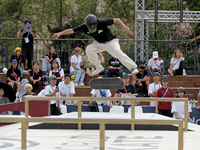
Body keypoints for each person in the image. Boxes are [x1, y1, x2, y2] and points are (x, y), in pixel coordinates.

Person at [52, 14, 138, 76]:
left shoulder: (101, 22)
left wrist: (124, 26)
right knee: (89, 49)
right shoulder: (83, 27)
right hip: (99, 43)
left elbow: (116, 20)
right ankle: (98, 67)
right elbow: (72, 30)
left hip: (111, 41)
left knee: (117, 53)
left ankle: (133, 68)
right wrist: (60, 33)